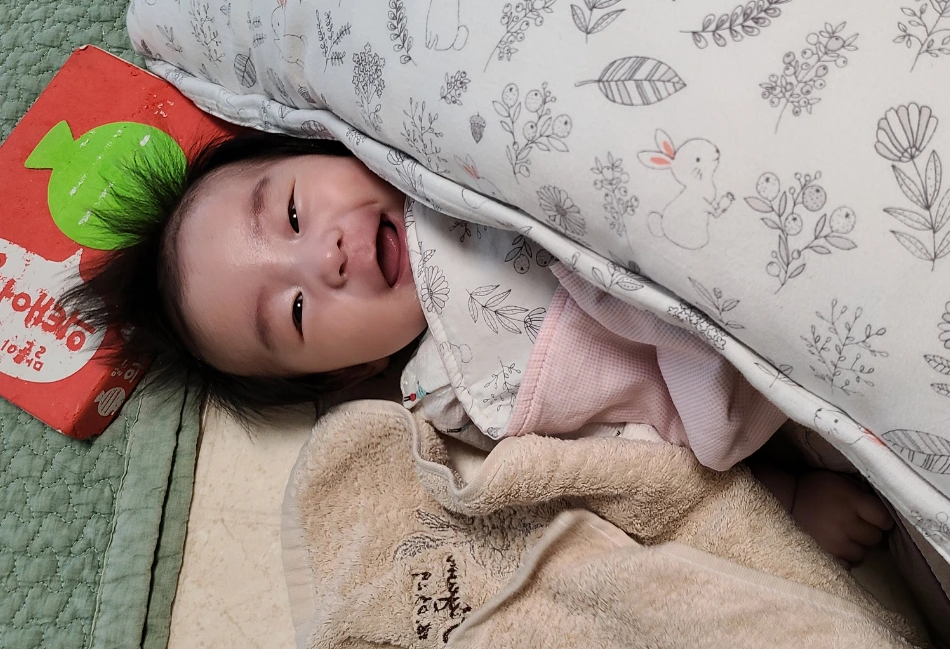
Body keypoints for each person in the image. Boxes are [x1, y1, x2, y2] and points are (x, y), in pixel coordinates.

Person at [63, 131, 892, 568]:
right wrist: (788, 499)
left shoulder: (427, 139)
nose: (326, 255)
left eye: (289, 213)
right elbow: (631, 471)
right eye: (298, 311)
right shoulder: (461, 395)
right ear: (352, 371)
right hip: (774, 380)